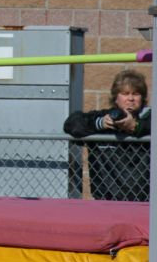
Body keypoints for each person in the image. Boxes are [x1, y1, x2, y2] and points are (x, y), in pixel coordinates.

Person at [63, 69, 151, 202]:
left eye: (136, 94)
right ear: (116, 98)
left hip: (145, 201)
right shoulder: (105, 117)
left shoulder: (152, 119)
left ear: (142, 98)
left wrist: (135, 126)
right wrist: (100, 123)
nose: (131, 99)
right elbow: (71, 124)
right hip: (105, 199)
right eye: (125, 94)